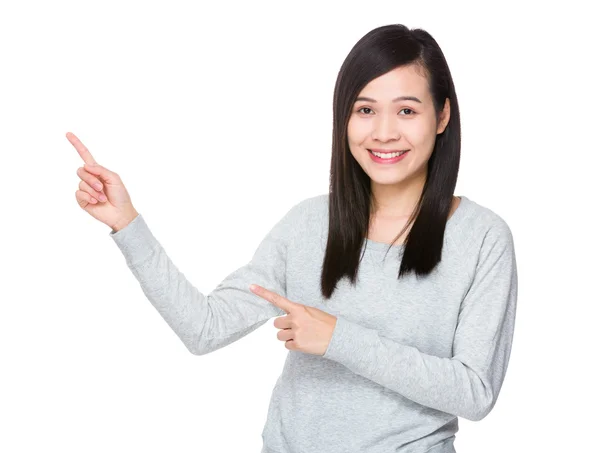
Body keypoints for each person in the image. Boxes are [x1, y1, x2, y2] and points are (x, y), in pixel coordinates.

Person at [69, 23, 518, 453]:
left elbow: (475, 392)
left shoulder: (481, 238)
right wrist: (127, 223)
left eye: (406, 110)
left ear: (441, 115)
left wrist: (338, 338)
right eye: (365, 110)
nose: (384, 132)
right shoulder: (308, 225)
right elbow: (204, 329)